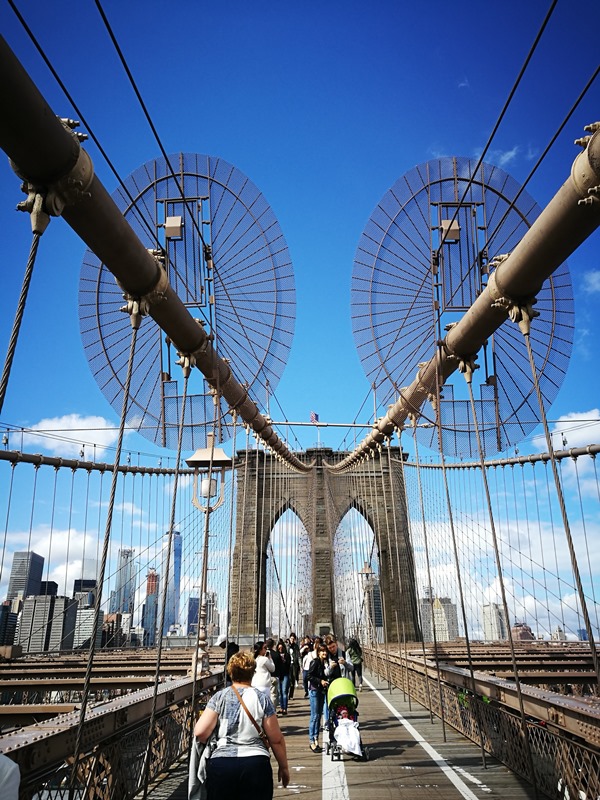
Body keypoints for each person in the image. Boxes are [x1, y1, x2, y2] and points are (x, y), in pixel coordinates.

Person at [194, 650, 290, 798]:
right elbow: (276, 739)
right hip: (255, 764)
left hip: (222, 765)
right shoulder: (262, 699)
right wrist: (283, 767)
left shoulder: (219, 697)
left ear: (230, 672)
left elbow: (200, 732)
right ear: (253, 672)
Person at [306, 645, 329, 751]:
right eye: (322, 651)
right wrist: (320, 681)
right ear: (318, 652)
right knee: (314, 716)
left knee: (319, 716)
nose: (324, 653)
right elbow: (308, 676)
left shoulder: (324, 662)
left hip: (320, 691)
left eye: (325, 651)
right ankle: (312, 741)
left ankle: (316, 739)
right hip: (314, 691)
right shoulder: (315, 662)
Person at [275, 639, 291, 714]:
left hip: (285, 675)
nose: (280, 649)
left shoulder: (287, 655)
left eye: (281, 648)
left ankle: (285, 708)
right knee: (279, 692)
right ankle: (281, 707)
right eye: (279, 648)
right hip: (278, 675)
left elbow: (288, 665)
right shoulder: (276, 655)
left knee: (284, 691)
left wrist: (284, 660)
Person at [287, 633, 301, 699]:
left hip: (294, 665)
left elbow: (298, 655)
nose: (292, 640)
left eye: (293, 639)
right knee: (288, 680)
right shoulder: (287, 646)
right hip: (287, 665)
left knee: (292, 680)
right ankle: (286, 693)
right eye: (291, 638)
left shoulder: (296, 647)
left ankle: (291, 695)